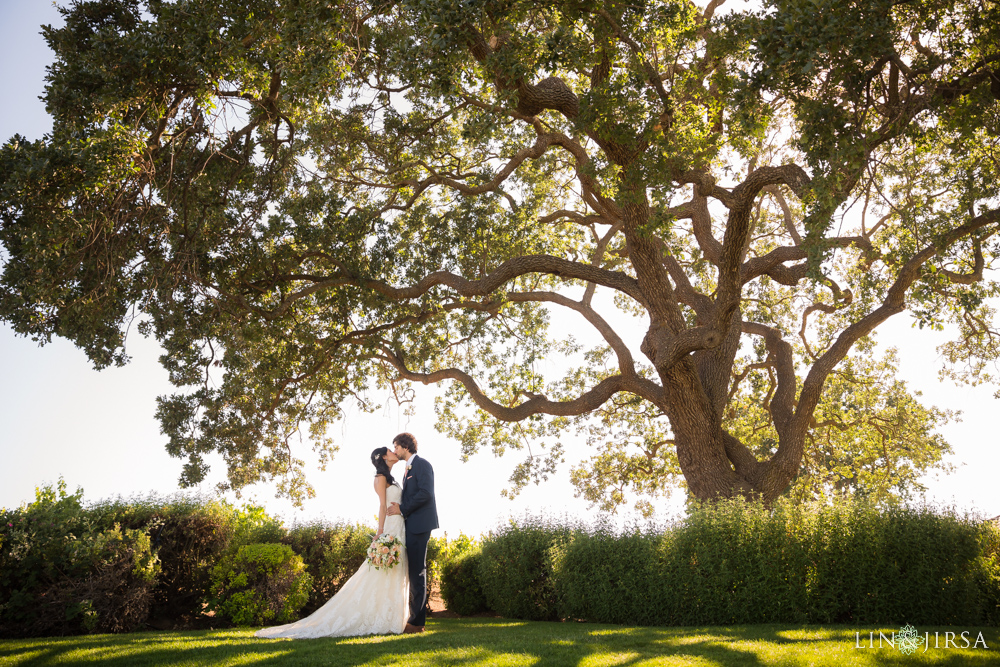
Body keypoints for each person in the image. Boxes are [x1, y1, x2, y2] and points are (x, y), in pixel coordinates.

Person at [254, 447, 409, 638]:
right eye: (390, 450)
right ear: (384, 456)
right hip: (391, 527)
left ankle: (392, 616)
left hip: (400, 526)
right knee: (382, 570)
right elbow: (382, 506)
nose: (395, 452)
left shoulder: (393, 477)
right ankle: (379, 616)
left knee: (395, 569)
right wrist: (380, 532)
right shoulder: (380, 478)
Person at [386, 432, 439, 634]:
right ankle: (414, 618)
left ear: (406, 446)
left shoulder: (423, 465)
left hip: (420, 525)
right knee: (414, 572)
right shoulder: (408, 468)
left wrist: (402, 508)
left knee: (418, 573)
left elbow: (426, 493)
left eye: (396, 446)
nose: (395, 450)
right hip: (411, 526)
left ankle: (417, 623)